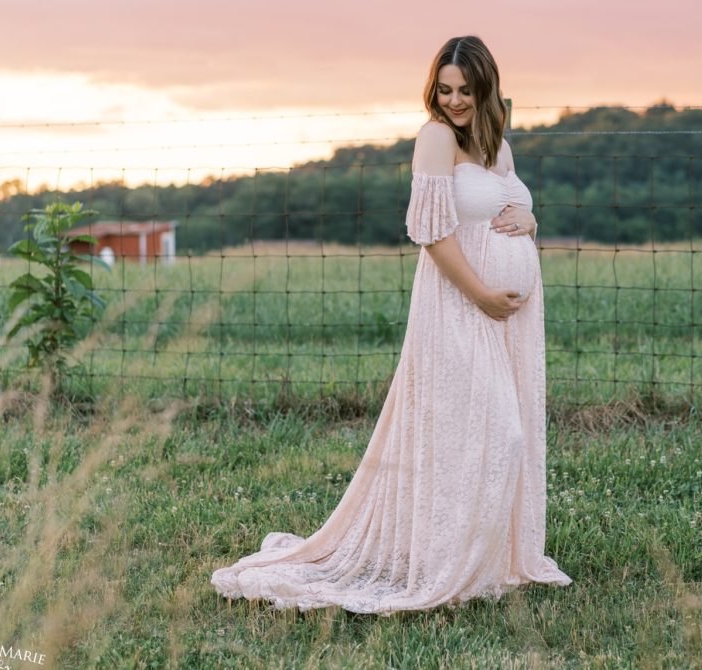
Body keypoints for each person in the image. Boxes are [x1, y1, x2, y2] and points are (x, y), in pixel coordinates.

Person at [210, 35, 572, 615]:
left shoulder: (498, 144)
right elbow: (431, 234)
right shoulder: (434, 139)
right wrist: (481, 293)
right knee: (495, 431)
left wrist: (529, 218)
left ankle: (483, 562)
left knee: (501, 431)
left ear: (487, 89)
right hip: (459, 306)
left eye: (465, 91)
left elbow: (513, 205)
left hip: (508, 320)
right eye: (444, 89)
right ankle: (446, 564)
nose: (453, 101)